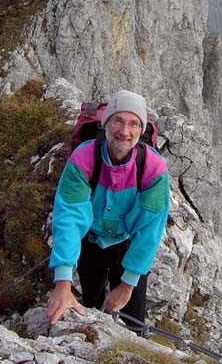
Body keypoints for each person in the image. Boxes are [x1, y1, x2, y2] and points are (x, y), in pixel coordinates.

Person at [47, 89, 169, 327]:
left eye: (134, 124)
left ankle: (134, 337)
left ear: (141, 130)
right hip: (91, 240)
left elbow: (149, 230)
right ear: (105, 124)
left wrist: (127, 284)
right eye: (118, 121)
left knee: (133, 318)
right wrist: (62, 283)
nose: (125, 132)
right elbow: (69, 218)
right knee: (91, 300)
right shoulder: (83, 159)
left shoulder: (154, 169)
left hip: (127, 243)